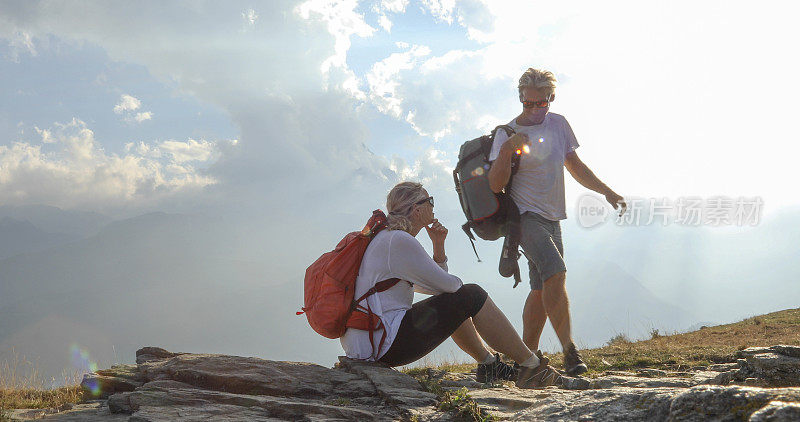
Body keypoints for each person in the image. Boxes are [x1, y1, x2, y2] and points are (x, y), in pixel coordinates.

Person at [340, 181, 563, 388]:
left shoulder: (387, 238)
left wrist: (438, 246)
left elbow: (436, 288)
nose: (433, 206)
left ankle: (489, 365)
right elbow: (450, 287)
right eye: (430, 201)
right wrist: (456, 288)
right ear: (417, 209)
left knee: (456, 300)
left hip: (368, 341)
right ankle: (532, 367)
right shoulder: (399, 240)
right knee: (472, 294)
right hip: (381, 343)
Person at [487, 68, 626, 376]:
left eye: (541, 103)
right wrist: (508, 149)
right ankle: (569, 351)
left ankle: (526, 360)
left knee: (540, 290)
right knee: (556, 271)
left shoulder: (559, 125)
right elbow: (495, 186)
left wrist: (607, 192)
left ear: (551, 99)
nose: (534, 109)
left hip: (553, 218)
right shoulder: (505, 134)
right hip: (523, 218)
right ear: (520, 99)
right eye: (528, 103)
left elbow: (574, 165)